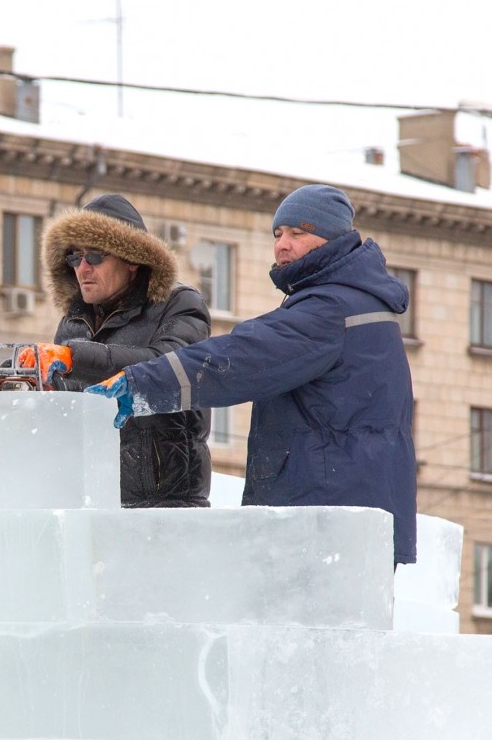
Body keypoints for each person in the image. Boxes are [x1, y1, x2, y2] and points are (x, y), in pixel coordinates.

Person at [85, 183, 417, 566]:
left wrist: (142, 383)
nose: (282, 245)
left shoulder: (331, 307)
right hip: (347, 512)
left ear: (332, 240)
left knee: (307, 625)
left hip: (325, 515)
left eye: (298, 233)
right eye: (278, 234)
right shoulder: (355, 299)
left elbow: (242, 358)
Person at [21, 193, 212, 508]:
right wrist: (31, 386)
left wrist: (73, 357)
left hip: (165, 503)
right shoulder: (74, 321)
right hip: (91, 497)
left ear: (133, 260)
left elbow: (168, 366)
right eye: (74, 258)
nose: (83, 268)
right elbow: (72, 402)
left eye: (95, 256)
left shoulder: (180, 304)